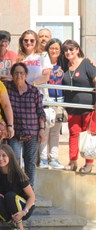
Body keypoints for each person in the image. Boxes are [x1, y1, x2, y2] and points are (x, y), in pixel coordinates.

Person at [6, 63, 46, 185]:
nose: (19, 75)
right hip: (14, 132)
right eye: (16, 73)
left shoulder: (34, 91)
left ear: (26, 75)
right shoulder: (6, 89)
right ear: (12, 75)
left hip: (32, 132)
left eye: (22, 73)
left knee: (30, 163)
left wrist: (42, 129)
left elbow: (40, 111)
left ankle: (30, 193)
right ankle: (16, 189)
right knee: (14, 162)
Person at [61, 40, 96, 173]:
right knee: (73, 134)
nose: (68, 52)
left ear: (77, 49)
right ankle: (73, 161)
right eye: (66, 50)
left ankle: (88, 164)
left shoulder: (86, 63)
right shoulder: (64, 65)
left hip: (89, 108)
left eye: (71, 49)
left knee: (89, 135)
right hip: (72, 108)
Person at [0, 144, 36, 230]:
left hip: (24, 206)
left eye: (4, 156)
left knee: (10, 195)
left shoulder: (17, 173)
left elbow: (32, 196)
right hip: (8, 204)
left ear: (10, 157)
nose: (1, 158)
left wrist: (24, 211)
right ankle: (13, 225)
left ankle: (21, 229)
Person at [40, 38, 65, 169]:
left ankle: (53, 158)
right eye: (52, 48)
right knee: (45, 131)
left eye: (57, 48)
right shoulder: (43, 63)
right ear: (48, 49)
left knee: (55, 132)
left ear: (60, 51)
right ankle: (43, 158)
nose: (54, 51)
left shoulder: (63, 64)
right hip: (46, 101)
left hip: (59, 102)